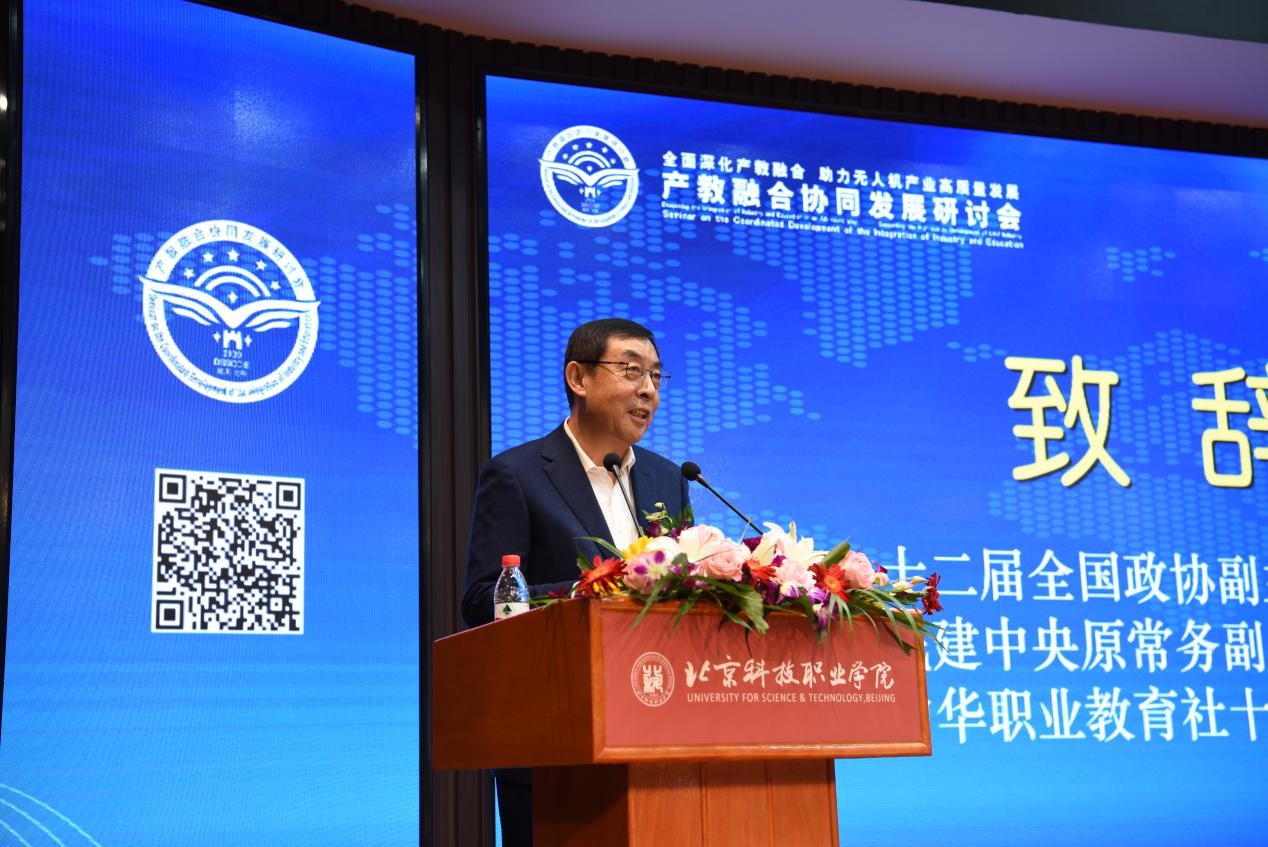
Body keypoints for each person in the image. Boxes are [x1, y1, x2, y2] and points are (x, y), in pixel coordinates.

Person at [461, 317, 691, 846]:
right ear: (578, 378)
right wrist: (598, 591)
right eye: (631, 370)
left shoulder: (668, 479)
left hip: (657, 734)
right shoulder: (517, 474)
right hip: (554, 740)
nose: (648, 390)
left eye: (656, 375)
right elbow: (481, 599)